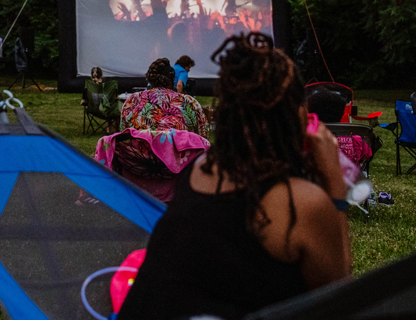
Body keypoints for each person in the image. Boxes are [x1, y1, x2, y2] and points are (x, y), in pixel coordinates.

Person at [118, 33, 351, 320]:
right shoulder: (301, 203)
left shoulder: (198, 172)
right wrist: (336, 190)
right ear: (296, 115)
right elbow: (341, 300)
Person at [120, 58, 208, 138]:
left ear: (149, 79)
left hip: (140, 154)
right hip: (178, 154)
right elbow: (203, 137)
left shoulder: (132, 100)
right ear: (173, 80)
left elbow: (124, 133)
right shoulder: (189, 102)